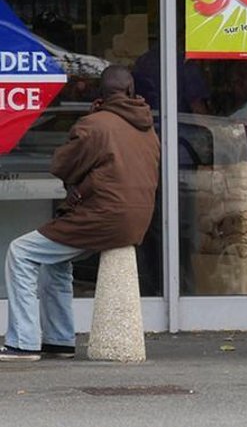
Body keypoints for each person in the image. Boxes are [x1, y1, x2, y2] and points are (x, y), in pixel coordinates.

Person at [1, 65, 161, 362]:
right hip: (137, 219)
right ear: (130, 91)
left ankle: (23, 342)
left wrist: (90, 119)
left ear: (101, 93)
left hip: (103, 217)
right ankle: (59, 340)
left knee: (20, 252)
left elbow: (61, 165)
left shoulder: (95, 124)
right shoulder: (148, 128)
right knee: (55, 262)